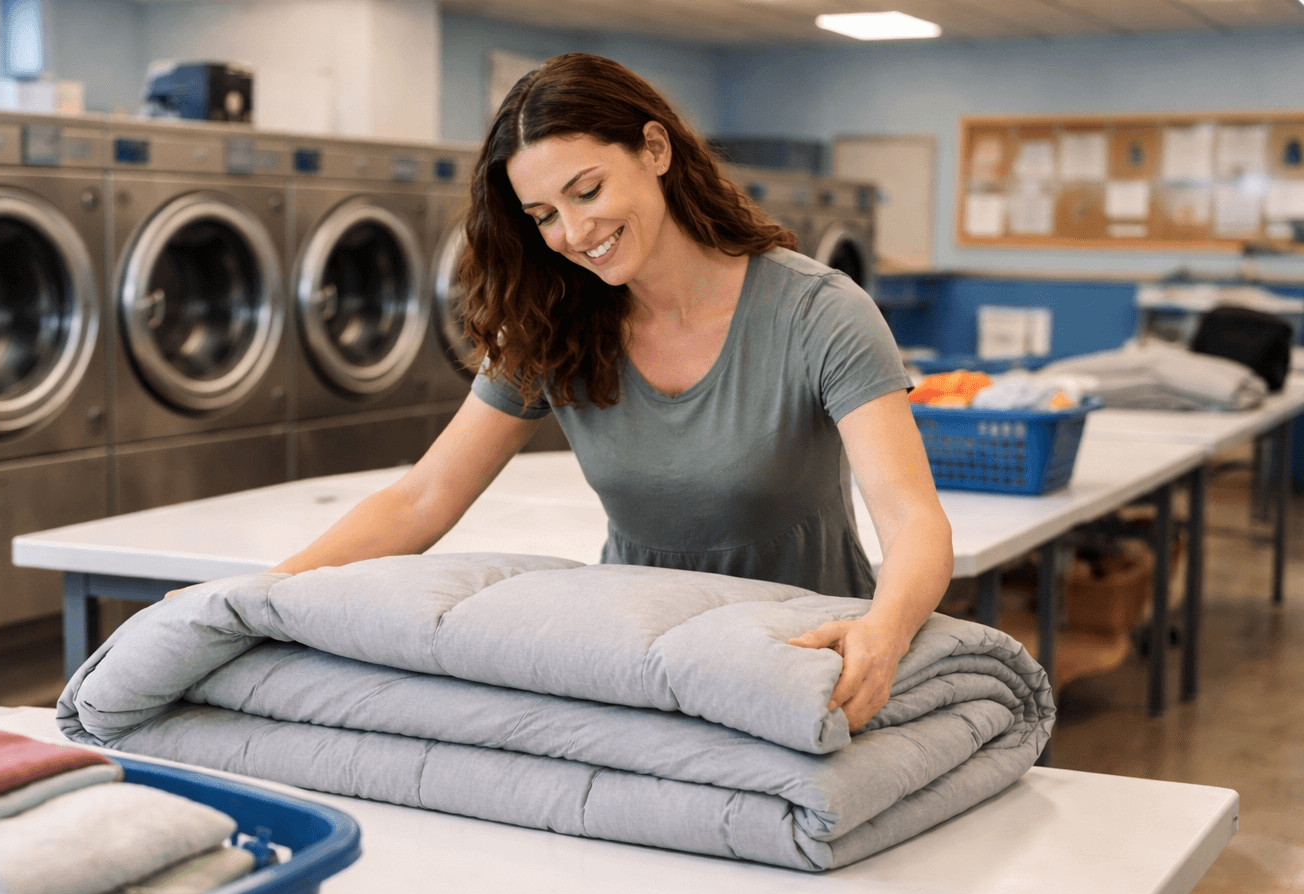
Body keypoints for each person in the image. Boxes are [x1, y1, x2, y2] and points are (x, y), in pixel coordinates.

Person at [264, 53, 952, 731]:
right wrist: (262, 594)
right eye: (542, 215)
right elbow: (424, 497)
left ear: (654, 148)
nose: (573, 232)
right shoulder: (551, 322)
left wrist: (882, 633)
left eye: (586, 191)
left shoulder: (818, 312)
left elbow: (912, 519)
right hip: (640, 663)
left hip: (804, 660)